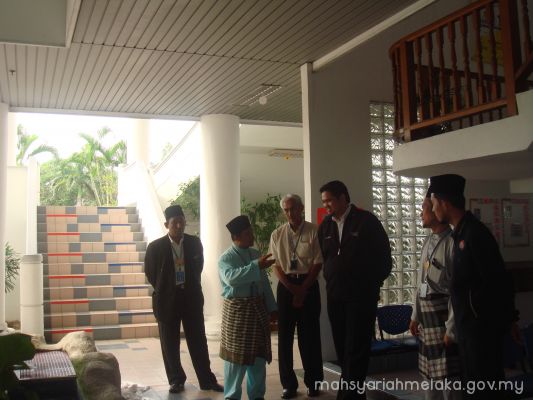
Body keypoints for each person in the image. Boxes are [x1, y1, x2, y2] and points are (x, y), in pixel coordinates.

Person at [429, 174, 517, 399]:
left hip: (481, 330)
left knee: (485, 387)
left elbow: (498, 280)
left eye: (434, 203)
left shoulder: (474, 234)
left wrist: (508, 319)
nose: (433, 208)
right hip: (468, 329)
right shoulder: (459, 233)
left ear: (444, 203)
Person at [318, 180, 392, 399]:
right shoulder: (326, 226)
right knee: (343, 349)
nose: (326, 205)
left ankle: (348, 396)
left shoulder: (366, 221)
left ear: (343, 198)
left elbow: (384, 259)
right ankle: (355, 395)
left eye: (329, 200)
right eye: (323, 201)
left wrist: (371, 285)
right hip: (335, 297)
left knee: (356, 349)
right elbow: (325, 258)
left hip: (361, 298)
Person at [144, 205, 223, 394]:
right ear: (167, 225)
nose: (179, 226)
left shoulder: (194, 243)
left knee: (198, 340)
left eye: (181, 221)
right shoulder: (155, 247)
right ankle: (176, 380)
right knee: (169, 343)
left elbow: (198, 267)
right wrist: (167, 288)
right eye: (174, 223)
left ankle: (207, 379)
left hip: (191, 297)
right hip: (167, 300)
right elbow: (151, 273)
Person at [269, 194, 323, 399]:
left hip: (309, 285)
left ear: (301, 208)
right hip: (286, 287)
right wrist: (292, 288)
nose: (290, 213)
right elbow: (275, 265)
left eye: (293, 208)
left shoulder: (314, 231)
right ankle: (288, 385)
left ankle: (313, 382)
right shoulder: (277, 234)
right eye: (286, 210)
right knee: (284, 338)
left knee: (310, 337)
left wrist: (303, 288)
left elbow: (317, 262)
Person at [218, 215, 277, 400]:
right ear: (236, 236)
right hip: (238, 314)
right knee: (235, 361)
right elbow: (231, 278)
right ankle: (231, 396)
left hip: (257, 311)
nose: (252, 235)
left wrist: (272, 308)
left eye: (251, 231)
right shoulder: (226, 258)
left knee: (258, 359)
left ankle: (257, 396)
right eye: (247, 233)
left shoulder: (255, 253)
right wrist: (256, 266)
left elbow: (264, 283)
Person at [409, 195, 461, 400]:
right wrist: (415, 315)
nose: (420, 213)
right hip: (426, 317)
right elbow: (420, 282)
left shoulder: (452, 242)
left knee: (448, 375)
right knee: (429, 373)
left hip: (443, 318)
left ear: (436, 211)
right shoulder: (428, 241)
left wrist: (451, 329)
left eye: (424, 208)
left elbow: (457, 292)